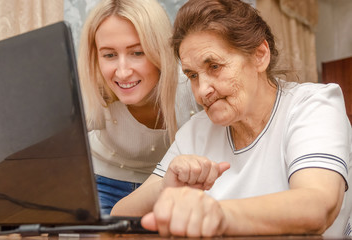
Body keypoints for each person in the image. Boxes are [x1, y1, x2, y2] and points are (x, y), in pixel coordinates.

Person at [111, 0, 352, 237]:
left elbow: (318, 207)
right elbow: (117, 219)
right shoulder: (195, 132)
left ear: (260, 55)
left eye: (214, 66)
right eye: (193, 75)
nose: (202, 90)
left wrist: (216, 215)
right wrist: (163, 189)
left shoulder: (314, 105)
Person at [77, 0, 200, 215]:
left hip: (170, 185)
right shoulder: (92, 87)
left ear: (159, 51)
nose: (123, 72)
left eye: (137, 53)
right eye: (109, 55)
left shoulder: (190, 85)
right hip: (103, 183)